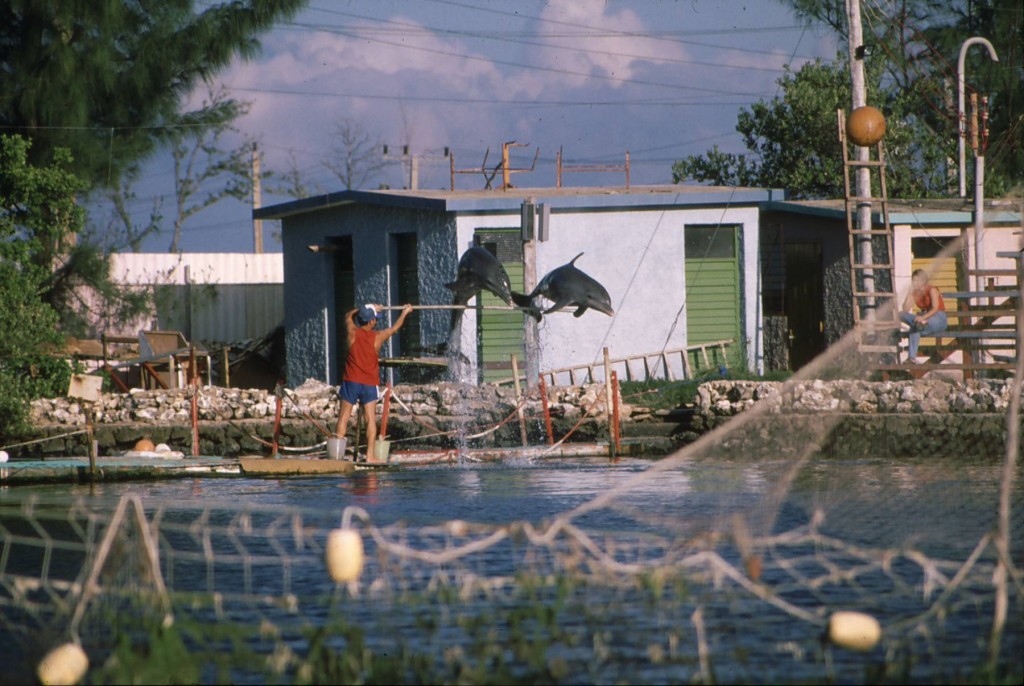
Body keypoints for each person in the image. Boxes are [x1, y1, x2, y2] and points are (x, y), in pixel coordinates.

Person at [335, 302, 413, 462]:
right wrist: (405, 313)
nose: (376, 322)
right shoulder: (378, 337)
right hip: (369, 384)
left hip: (351, 382)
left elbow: (347, 315)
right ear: (370, 322)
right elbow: (394, 328)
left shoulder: (352, 332)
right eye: (375, 319)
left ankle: (337, 456)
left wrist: (366, 307)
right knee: (370, 419)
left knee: (343, 417)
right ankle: (370, 456)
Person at [899, 269, 947, 362]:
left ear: (923, 281)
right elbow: (905, 310)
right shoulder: (915, 293)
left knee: (915, 326)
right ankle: (912, 358)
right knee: (902, 315)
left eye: (916, 280)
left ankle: (921, 324)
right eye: (913, 280)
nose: (914, 282)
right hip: (923, 320)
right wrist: (908, 294)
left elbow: (935, 308)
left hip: (938, 318)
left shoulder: (931, 289)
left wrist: (923, 318)